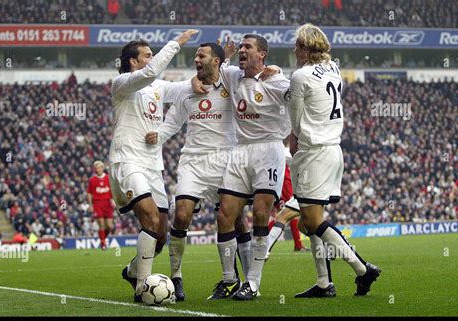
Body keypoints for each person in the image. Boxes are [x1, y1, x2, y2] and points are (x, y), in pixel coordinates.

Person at [146, 42, 249, 301]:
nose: (196, 59)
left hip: (226, 160)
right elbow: (171, 124)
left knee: (234, 220)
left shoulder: (231, 81)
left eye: (201, 55)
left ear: (216, 61)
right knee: (180, 216)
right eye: (195, 56)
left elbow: (249, 73)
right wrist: (156, 137)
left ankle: (244, 280)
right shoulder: (187, 91)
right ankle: (177, 278)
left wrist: (268, 69)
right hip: (193, 161)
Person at [288, 23, 380, 298]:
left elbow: (295, 118)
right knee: (309, 221)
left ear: (304, 48)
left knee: (313, 222)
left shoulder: (299, 76)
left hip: (314, 152)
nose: (294, 50)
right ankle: (324, 282)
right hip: (332, 149)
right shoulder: (334, 69)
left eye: (297, 45)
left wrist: (293, 137)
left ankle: (363, 269)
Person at [109, 29, 199, 302]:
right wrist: (176, 44)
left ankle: (133, 270)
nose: (153, 58)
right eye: (148, 55)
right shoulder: (122, 83)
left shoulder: (157, 88)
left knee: (160, 234)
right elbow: (149, 74)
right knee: (148, 217)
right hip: (127, 160)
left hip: (152, 166)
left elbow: (186, 86)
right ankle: (141, 289)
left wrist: (219, 64)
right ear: (133, 61)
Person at [206, 34, 291, 300]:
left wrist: (281, 71)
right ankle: (230, 279)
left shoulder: (277, 81)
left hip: (269, 149)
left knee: (260, 214)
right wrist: (227, 53)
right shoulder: (232, 75)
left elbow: (299, 99)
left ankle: (253, 283)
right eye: (242, 47)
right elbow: (210, 71)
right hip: (240, 150)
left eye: (248, 47)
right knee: (224, 215)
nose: (243, 50)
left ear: (262, 55)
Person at [87, 160, 114, 250]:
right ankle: (103, 244)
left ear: (102, 168)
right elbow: (89, 193)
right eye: (95, 168)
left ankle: (103, 238)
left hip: (107, 203)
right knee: (101, 224)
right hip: (97, 203)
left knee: (110, 226)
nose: (96, 169)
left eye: (98, 167)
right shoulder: (92, 180)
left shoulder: (108, 178)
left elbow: (112, 190)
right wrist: (90, 205)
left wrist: (113, 200)